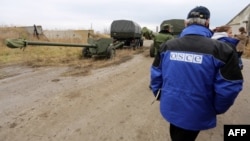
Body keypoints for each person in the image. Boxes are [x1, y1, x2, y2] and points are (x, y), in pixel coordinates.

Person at [150, 6, 243, 141]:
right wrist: (215, 108)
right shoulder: (222, 50)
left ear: (186, 23)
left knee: (177, 134)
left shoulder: (167, 46)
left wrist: (161, 96)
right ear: (207, 23)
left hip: (171, 107)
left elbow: (156, 75)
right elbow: (229, 87)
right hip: (198, 111)